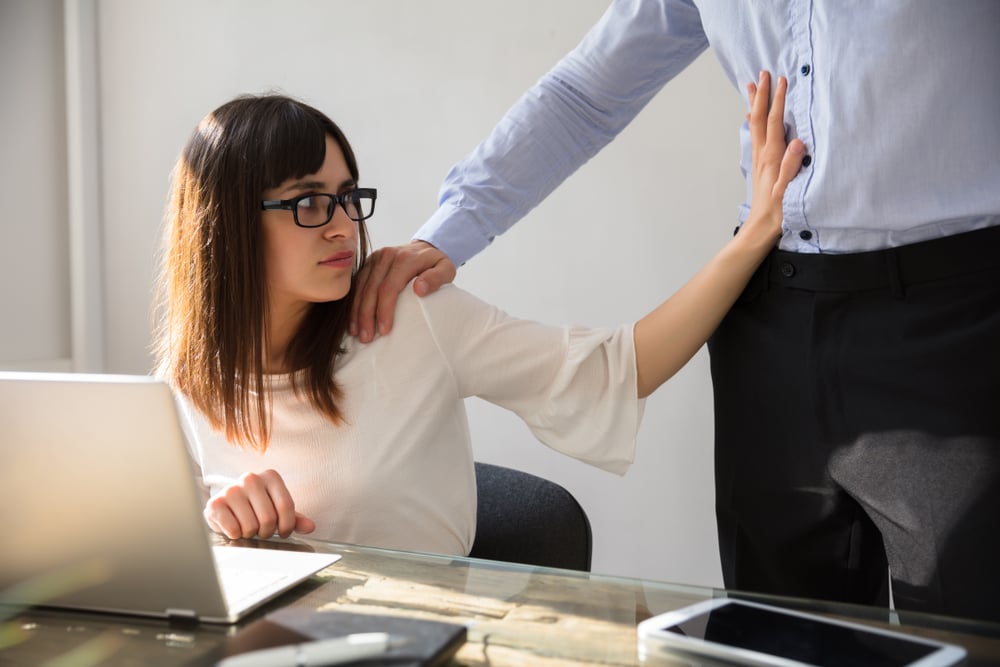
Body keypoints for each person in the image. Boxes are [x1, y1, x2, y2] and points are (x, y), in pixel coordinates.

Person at [347, 2, 1000, 621]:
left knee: (969, 631)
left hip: (958, 316)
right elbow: (584, 93)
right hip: (773, 317)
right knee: (776, 633)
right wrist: (447, 231)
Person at [152, 73, 801, 558]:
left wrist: (749, 242)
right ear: (227, 226)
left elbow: (616, 368)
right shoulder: (176, 390)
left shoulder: (403, 317)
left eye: (349, 196)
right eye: (309, 203)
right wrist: (221, 533)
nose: (344, 225)